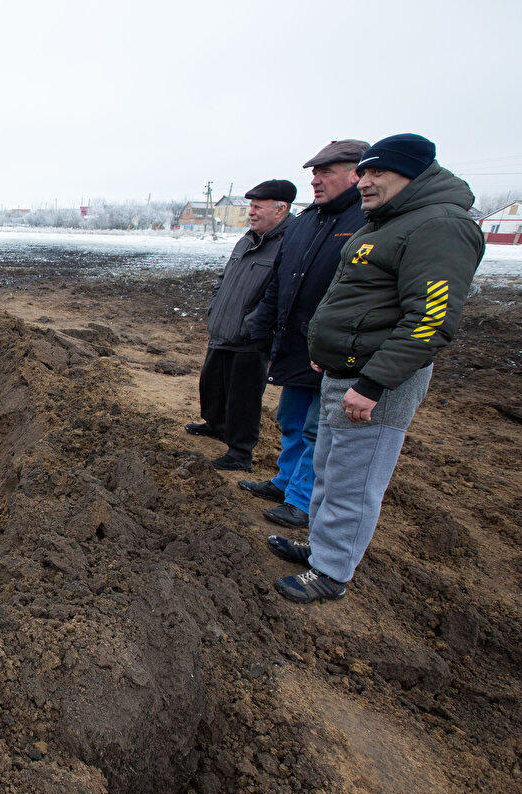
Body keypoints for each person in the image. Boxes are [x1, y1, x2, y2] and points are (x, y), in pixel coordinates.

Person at [270, 133, 485, 602]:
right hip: (343, 371)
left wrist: (372, 384)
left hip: (377, 382)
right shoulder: (386, 222)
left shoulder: (438, 227)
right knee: (329, 469)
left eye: (377, 172)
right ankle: (322, 548)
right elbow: (356, 296)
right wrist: (324, 349)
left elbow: (430, 319)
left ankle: (330, 573)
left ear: (413, 174)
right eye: (363, 172)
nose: (365, 181)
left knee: (355, 480)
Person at [239, 139, 369, 528]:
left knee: (318, 426)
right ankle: (285, 480)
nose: (316, 180)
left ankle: (301, 497)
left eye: (325, 172)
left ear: (357, 173)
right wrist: (262, 327)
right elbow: (280, 279)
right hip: (295, 343)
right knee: (291, 417)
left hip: (335, 347)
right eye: (314, 172)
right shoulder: (307, 221)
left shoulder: (365, 222)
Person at [185, 179, 295, 471]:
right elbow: (224, 278)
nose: (252, 212)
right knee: (214, 385)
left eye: (258, 207)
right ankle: (217, 424)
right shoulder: (247, 239)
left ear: (280, 209)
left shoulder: (289, 244)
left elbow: (281, 294)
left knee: (243, 396)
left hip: (251, 337)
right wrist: (215, 306)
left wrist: (252, 324)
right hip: (225, 327)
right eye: (251, 206)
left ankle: (240, 452)